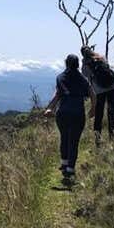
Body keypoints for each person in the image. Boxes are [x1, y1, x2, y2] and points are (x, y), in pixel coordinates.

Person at [44, 54, 96, 185]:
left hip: (63, 113)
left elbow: (57, 95)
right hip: (78, 113)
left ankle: (64, 163)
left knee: (64, 137)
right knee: (74, 141)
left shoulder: (60, 77)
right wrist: (93, 109)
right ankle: (70, 170)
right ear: (78, 64)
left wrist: (50, 108)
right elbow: (92, 94)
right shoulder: (83, 79)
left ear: (66, 63)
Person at [80, 46, 114, 144]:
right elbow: (108, 70)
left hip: (99, 92)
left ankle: (97, 139)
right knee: (112, 113)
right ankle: (112, 136)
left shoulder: (85, 65)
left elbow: (86, 76)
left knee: (98, 115)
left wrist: (84, 62)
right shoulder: (102, 58)